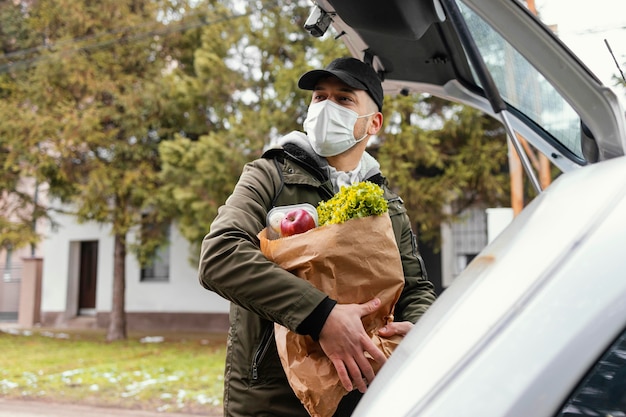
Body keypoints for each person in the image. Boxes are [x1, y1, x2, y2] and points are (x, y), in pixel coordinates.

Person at [198, 57, 437, 417]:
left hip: (364, 393)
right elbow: (220, 256)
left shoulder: (387, 203)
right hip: (274, 399)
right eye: (319, 97)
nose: (327, 107)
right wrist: (321, 315)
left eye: (343, 99)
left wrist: (414, 331)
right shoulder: (269, 175)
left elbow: (415, 289)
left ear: (373, 123)